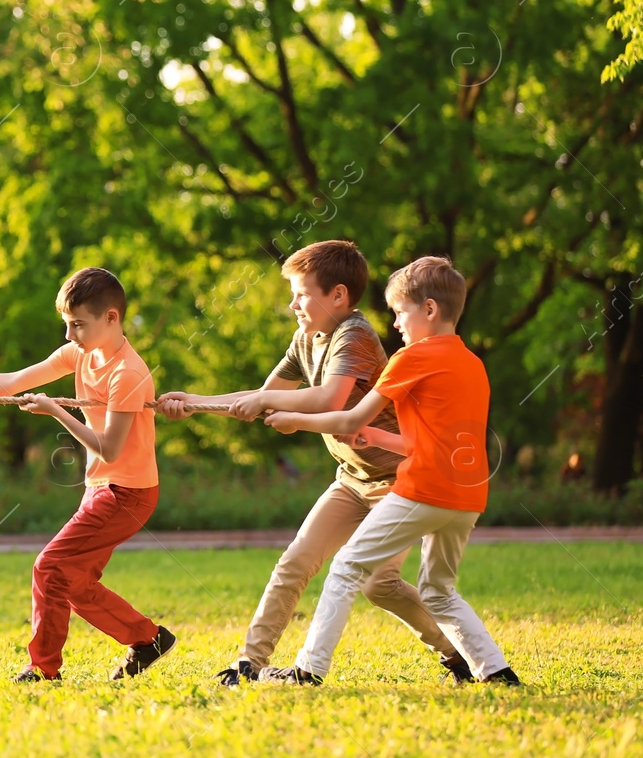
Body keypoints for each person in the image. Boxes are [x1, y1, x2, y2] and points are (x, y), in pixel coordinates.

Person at [156, 240, 471, 686]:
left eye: (301, 293)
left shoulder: (355, 335)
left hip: (398, 482)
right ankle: (250, 663)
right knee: (295, 562)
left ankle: (457, 654)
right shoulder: (305, 338)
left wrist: (264, 400)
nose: (293, 304)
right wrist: (195, 403)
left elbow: (329, 399)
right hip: (351, 479)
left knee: (379, 585)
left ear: (338, 296)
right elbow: (264, 397)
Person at [253, 256, 521, 686]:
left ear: (429, 310)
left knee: (345, 569)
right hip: (468, 498)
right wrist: (377, 440)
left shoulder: (410, 358)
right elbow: (423, 442)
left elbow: (346, 419)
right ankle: (496, 672)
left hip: (423, 490)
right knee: (439, 591)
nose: (395, 324)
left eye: (400, 312)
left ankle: (308, 670)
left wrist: (294, 420)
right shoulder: (473, 364)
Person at [0, 267, 171, 683]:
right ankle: (148, 639)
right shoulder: (80, 354)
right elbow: (10, 382)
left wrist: (56, 411)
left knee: (49, 567)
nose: (69, 335)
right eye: (67, 324)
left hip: (128, 494)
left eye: (77, 325)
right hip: (100, 487)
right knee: (74, 583)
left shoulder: (129, 374)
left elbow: (109, 447)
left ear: (111, 319)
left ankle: (43, 669)